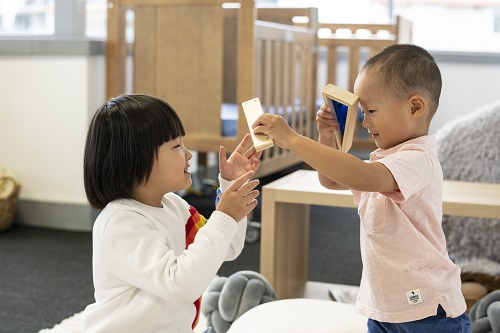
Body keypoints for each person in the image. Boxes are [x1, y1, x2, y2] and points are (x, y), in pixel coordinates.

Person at [253, 44, 471, 333]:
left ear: (415, 107)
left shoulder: (418, 160)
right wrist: (325, 136)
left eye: (371, 110)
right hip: (385, 306)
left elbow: (362, 177)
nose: (364, 122)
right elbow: (330, 179)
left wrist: (292, 139)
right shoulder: (384, 161)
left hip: (428, 310)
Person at [82, 94, 261, 333]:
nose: (189, 155)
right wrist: (225, 216)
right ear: (136, 159)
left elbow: (226, 248)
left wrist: (231, 188)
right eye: (176, 146)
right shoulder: (120, 223)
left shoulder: (176, 206)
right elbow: (180, 285)